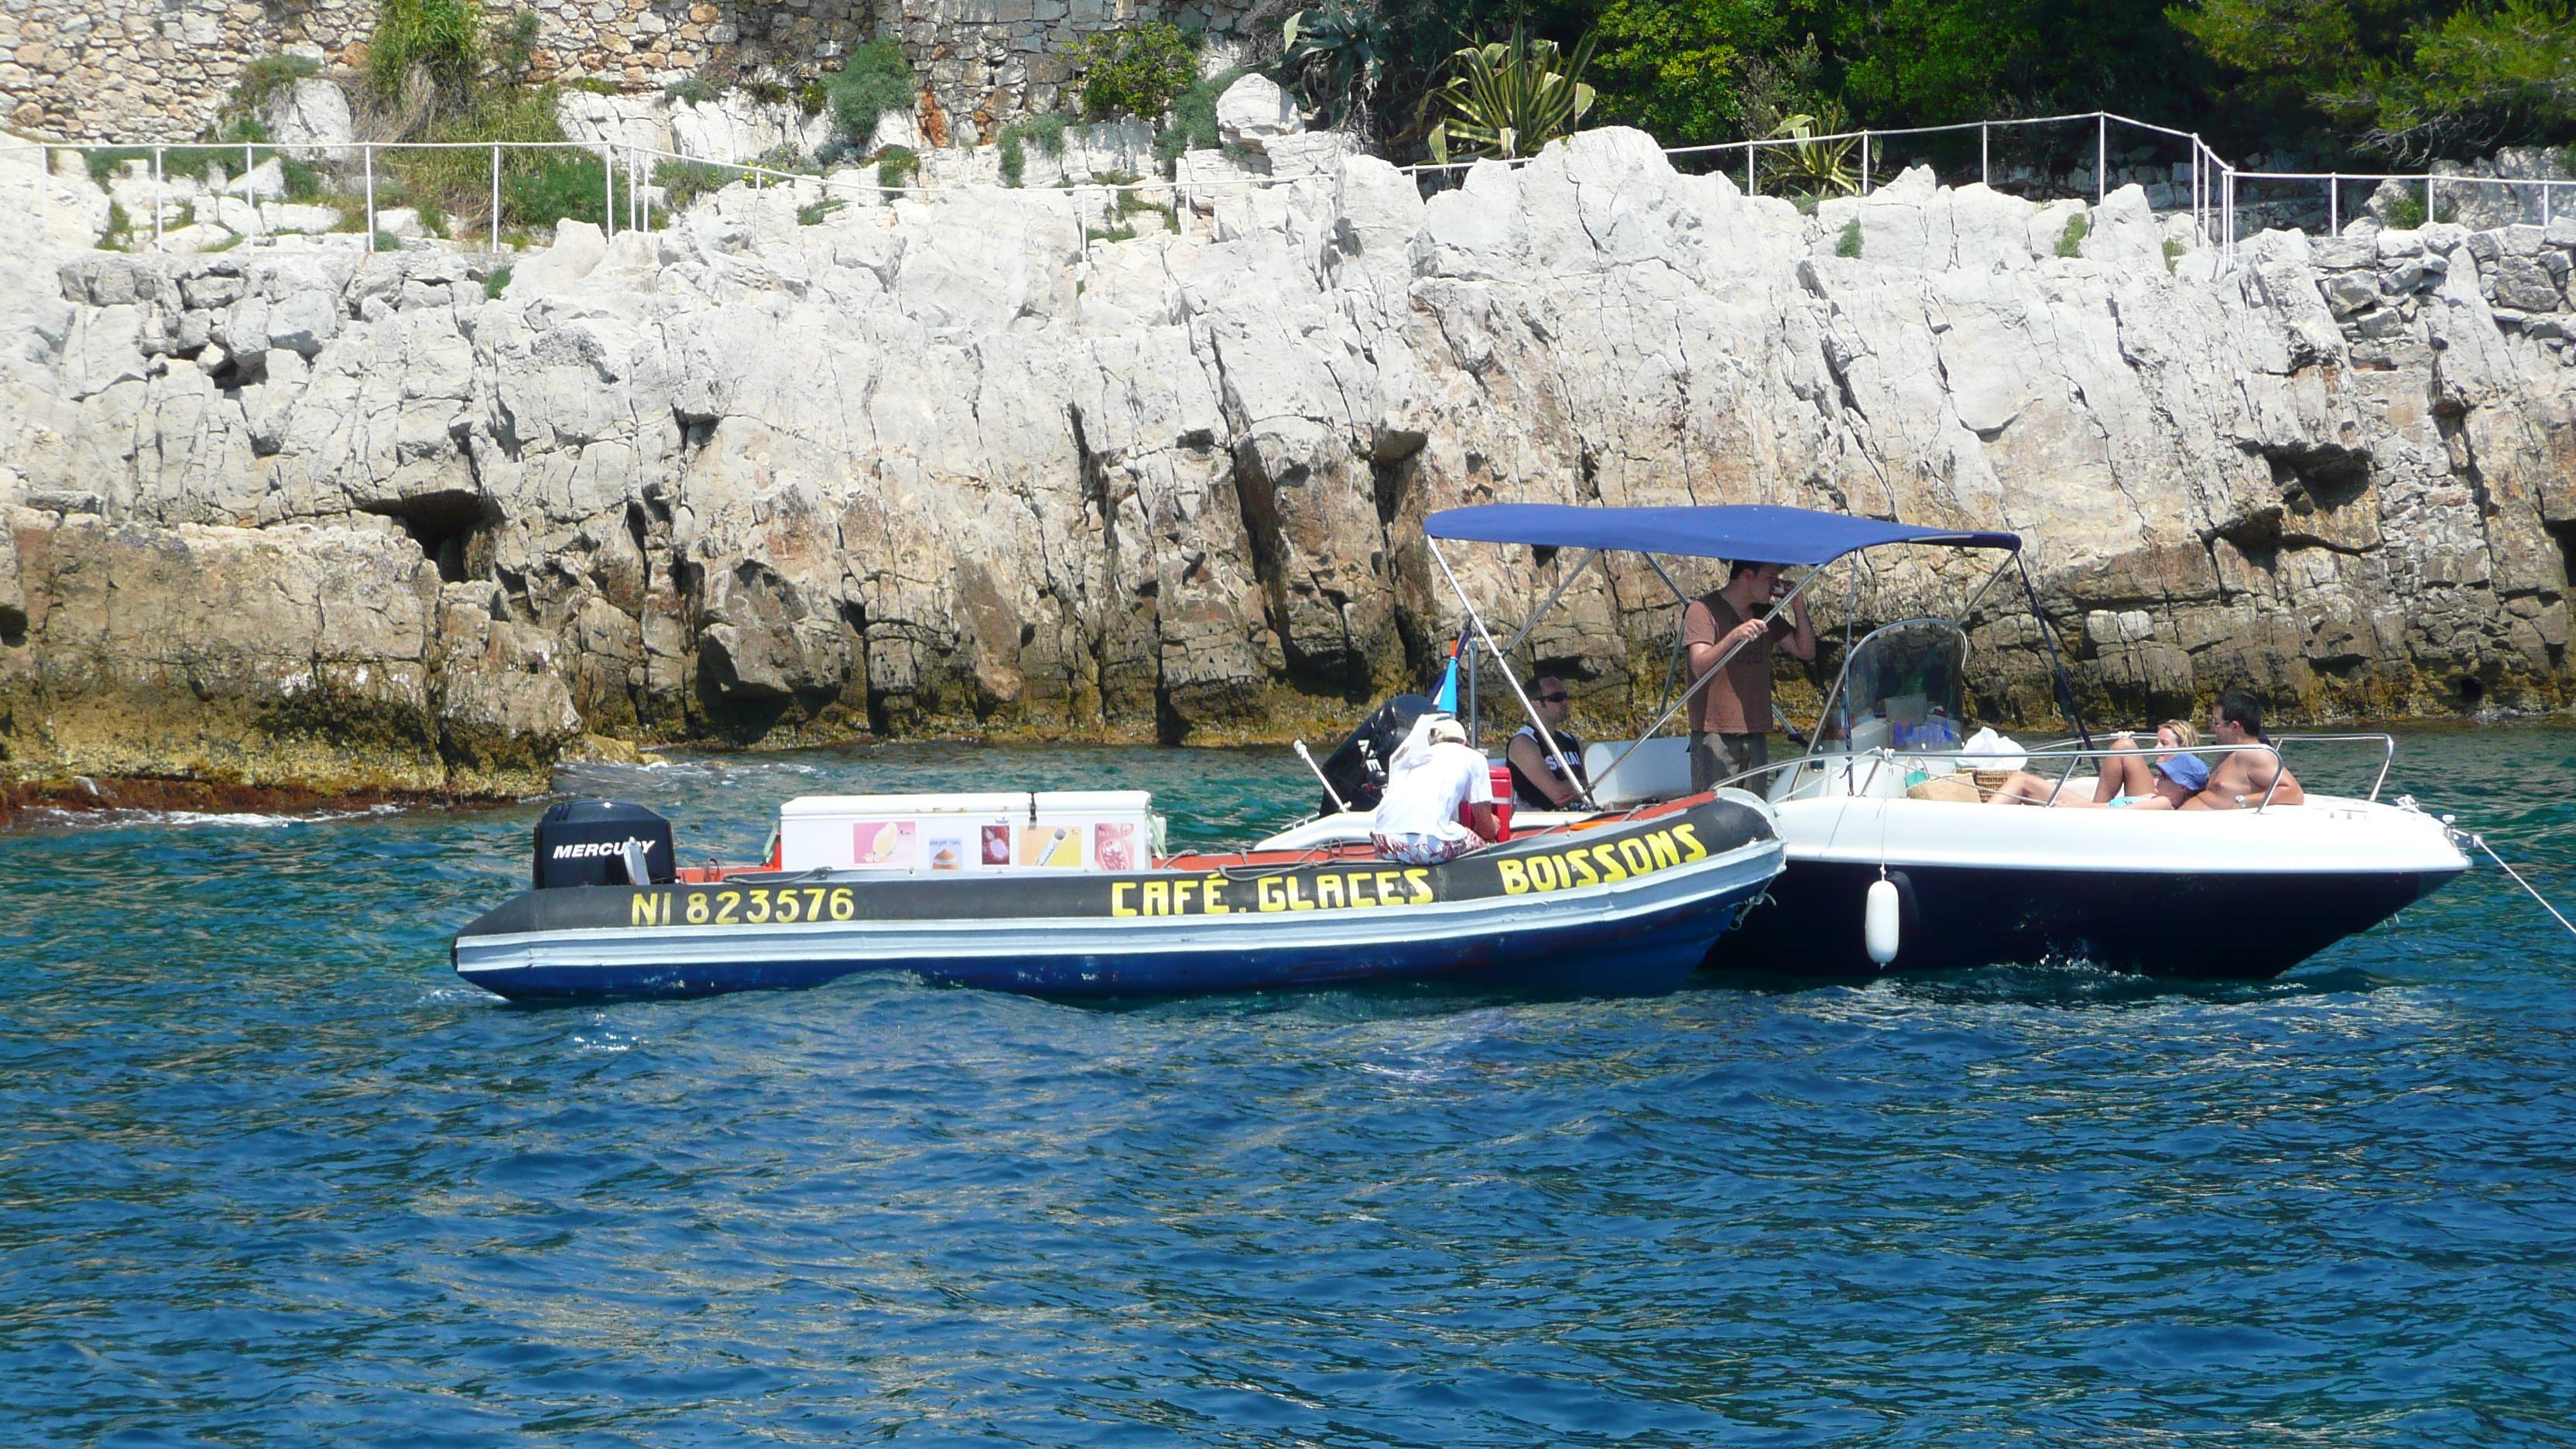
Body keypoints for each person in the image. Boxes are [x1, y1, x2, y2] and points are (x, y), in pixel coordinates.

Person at [1682, 560, 1816, 794]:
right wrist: (1734, 636)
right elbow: (1699, 665)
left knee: (1753, 809)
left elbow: (1805, 651)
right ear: (1747, 576)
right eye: (1770, 577)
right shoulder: (1702, 610)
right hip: (1716, 734)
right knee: (1714, 810)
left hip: (1755, 733)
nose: (1776, 584)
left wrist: (1798, 606)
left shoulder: (1765, 613)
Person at [1370, 715, 1502, 864]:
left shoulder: (1410, 760)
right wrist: (1494, 824)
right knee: (1484, 844)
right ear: (1464, 742)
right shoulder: (1474, 757)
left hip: (1383, 843)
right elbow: (1486, 828)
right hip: (1424, 847)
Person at [1987, 743, 2208, 809]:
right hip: (2095, 815)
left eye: (2166, 777)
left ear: (2182, 788)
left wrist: (2073, 809)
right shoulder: (2157, 798)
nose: (2158, 779)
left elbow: (2115, 815)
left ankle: (1981, 822)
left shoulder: (2161, 803)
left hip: (2094, 821)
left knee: (2022, 781)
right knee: (2020, 778)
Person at [2184, 690, 2304, 809]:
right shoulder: (2229, 752)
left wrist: (2242, 802)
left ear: (2235, 727)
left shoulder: (2253, 754)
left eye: (2216, 722)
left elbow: (2294, 793)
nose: (2212, 728)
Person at [1505, 676, 1590, 809]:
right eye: (1556, 698)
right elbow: (1559, 794)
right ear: (1535, 703)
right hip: (1547, 822)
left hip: (1584, 815)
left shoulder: (1572, 741)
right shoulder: (1523, 743)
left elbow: (1600, 784)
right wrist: (1588, 787)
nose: (1565, 702)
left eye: (1565, 696)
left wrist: (1584, 789)